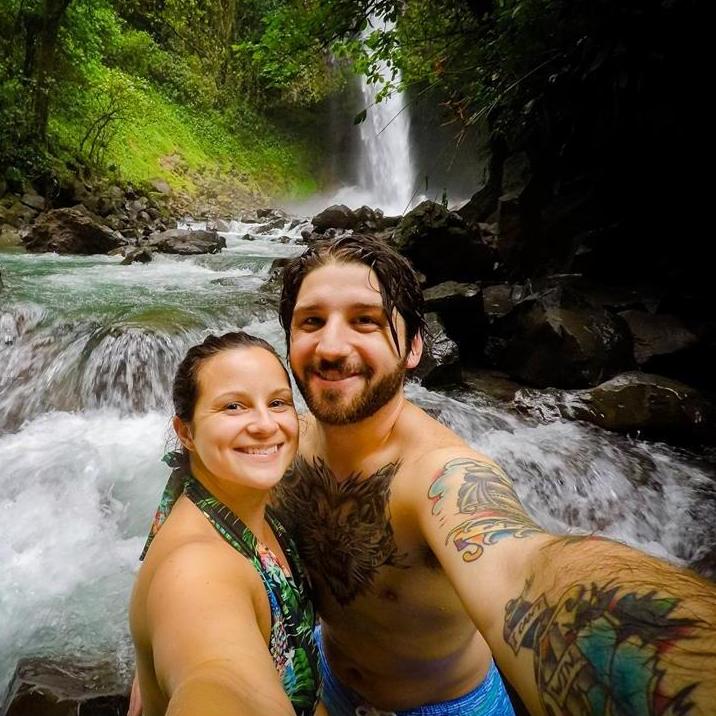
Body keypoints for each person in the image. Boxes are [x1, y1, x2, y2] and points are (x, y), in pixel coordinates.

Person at [271, 233, 716, 716]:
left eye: (366, 321)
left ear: (414, 347)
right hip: (330, 679)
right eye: (312, 321)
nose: (332, 346)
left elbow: (518, 566)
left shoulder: (445, 477)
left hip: (447, 706)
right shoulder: (281, 445)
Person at [129, 332, 324, 716]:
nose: (266, 425)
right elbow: (221, 679)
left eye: (278, 402)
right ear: (185, 432)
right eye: (234, 407)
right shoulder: (195, 572)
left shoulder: (226, 492)